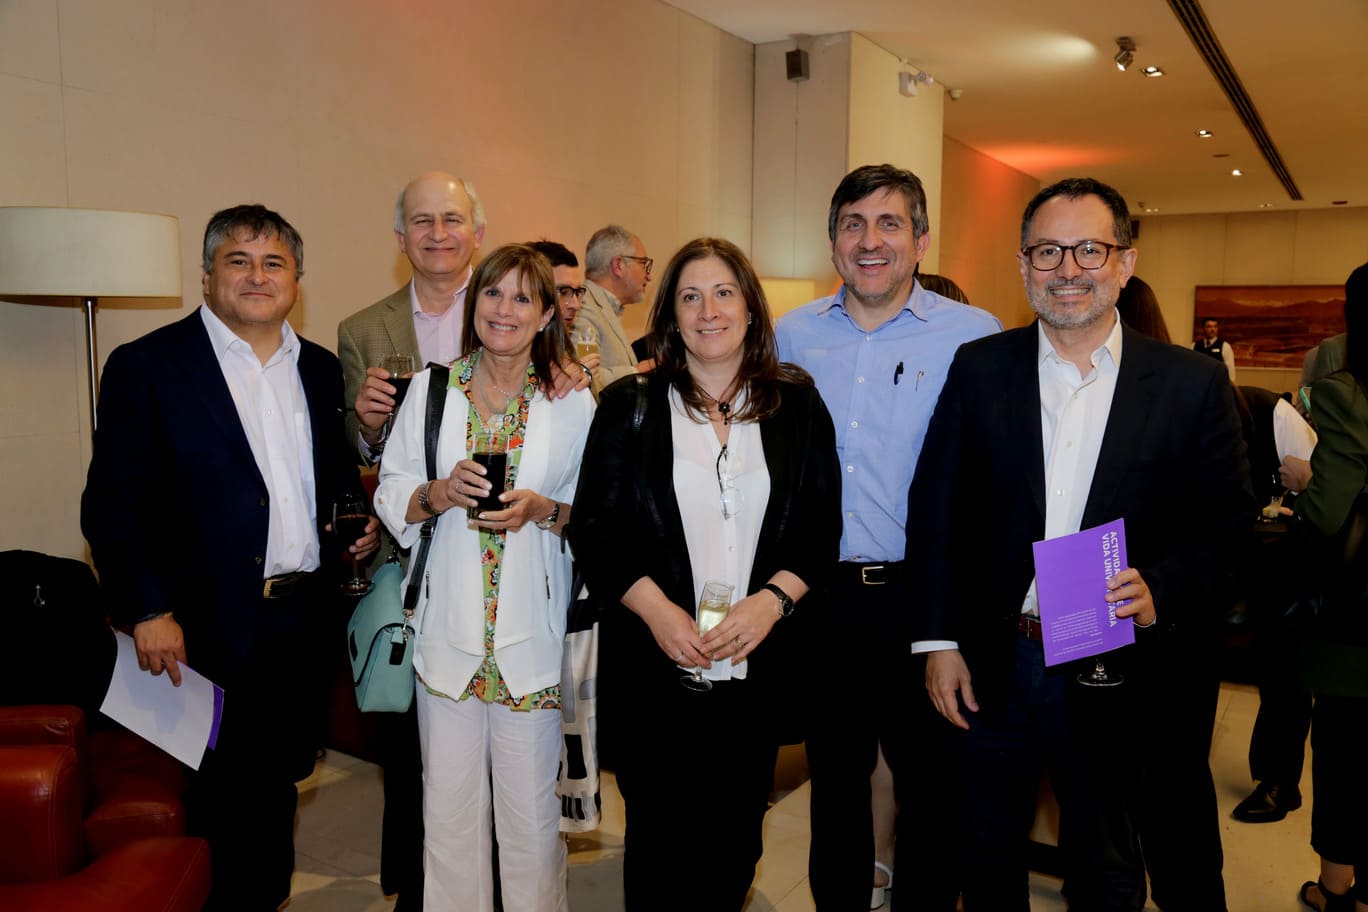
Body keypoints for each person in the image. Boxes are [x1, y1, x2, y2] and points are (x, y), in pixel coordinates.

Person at [907, 178, 1252, 911]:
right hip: (996, 662)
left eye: (1089, 249)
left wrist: (1162, 587)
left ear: (1125, 262)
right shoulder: (980, 368)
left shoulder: (1190, 384)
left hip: (1120, 662)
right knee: (986, 853)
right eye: (1048, 251)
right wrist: (938, 641)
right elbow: (937, 513)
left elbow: (1229, 534)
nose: (1068, 269)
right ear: (1023, 265)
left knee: (1106, 865)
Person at [81, 204, 380, 911]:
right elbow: (113, 504)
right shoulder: (149, 366)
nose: (257, 276)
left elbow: (331, 478)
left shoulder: (320, 369)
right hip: (200, 624)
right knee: (217, 793)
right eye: (237, 261)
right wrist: (148, 609)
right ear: (208, 276)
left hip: (301, 619)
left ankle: (265, 897)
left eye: (274, 263)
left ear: (296, 280)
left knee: (278, 783)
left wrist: (356, 524)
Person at [572, 237, 841, 911]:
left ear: (750, 309)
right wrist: (659, 613)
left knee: (734, 847)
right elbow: (595, 533)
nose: (709, 310)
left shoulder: (798, 406)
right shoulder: (629, 405)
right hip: (656, 668)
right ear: (671, 315)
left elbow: (819, 529)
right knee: (658, 848)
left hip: (754, 667)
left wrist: (771, 603)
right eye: (690, 297)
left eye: (724, 293)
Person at [775, 163, 1001, 912]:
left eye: (889, 223)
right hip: (823, 598)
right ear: (833, 241)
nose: (869, 241)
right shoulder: (792, 334)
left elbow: (995, 477)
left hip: (927, 600)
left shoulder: (975, 336)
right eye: (853, 224)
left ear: (921, 240)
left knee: (934, 790)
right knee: (836, 786)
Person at [374, 244, 593, 912]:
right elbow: (392, 490)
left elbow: (598, 515)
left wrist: (544, 510)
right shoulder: (431, 391)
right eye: (493, 293)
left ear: (547, 314)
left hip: (531, 644)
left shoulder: (571, 401)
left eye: (524, 298)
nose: (505, 309)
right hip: (447, 641)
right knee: (447, 820)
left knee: (531, 828)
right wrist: (439, 493)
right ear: (475, 305)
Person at [1289, 259, 1368, 912]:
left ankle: (1336, 891)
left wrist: (1302, 480)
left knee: (1345, 754)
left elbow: (1327, 513)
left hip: (1357, 620)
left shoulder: (1344, 394)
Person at [340, 171, 487, 461]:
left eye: (452, 219)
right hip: (411, 489)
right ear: (401, 239)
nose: (438, 233)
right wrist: (370, 430)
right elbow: (352, 439)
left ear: (478, 234)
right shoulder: (360, 331)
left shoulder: (515, 318)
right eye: (422, 221)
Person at [579, 224, 655, 386]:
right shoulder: (582, 308)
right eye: (643, 264)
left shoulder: (605, 308)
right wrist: (637, 371)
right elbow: (581, 376)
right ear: (618, 265)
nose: (649, 276)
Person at [527, 239, 600, 381]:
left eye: (577, 292)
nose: (575, 305)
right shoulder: (509, 351)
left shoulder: (564, 350)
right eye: (563, 292)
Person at [1194, 316, 1237, 381]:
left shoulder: (1225, 346)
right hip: (1199, 381)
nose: (1213, 329)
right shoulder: (1195, 345)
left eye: (1215, 326)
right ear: (1203, 328)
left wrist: (1230, 384)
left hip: (1217, 382)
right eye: (1209, 326)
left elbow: (1230, 369)